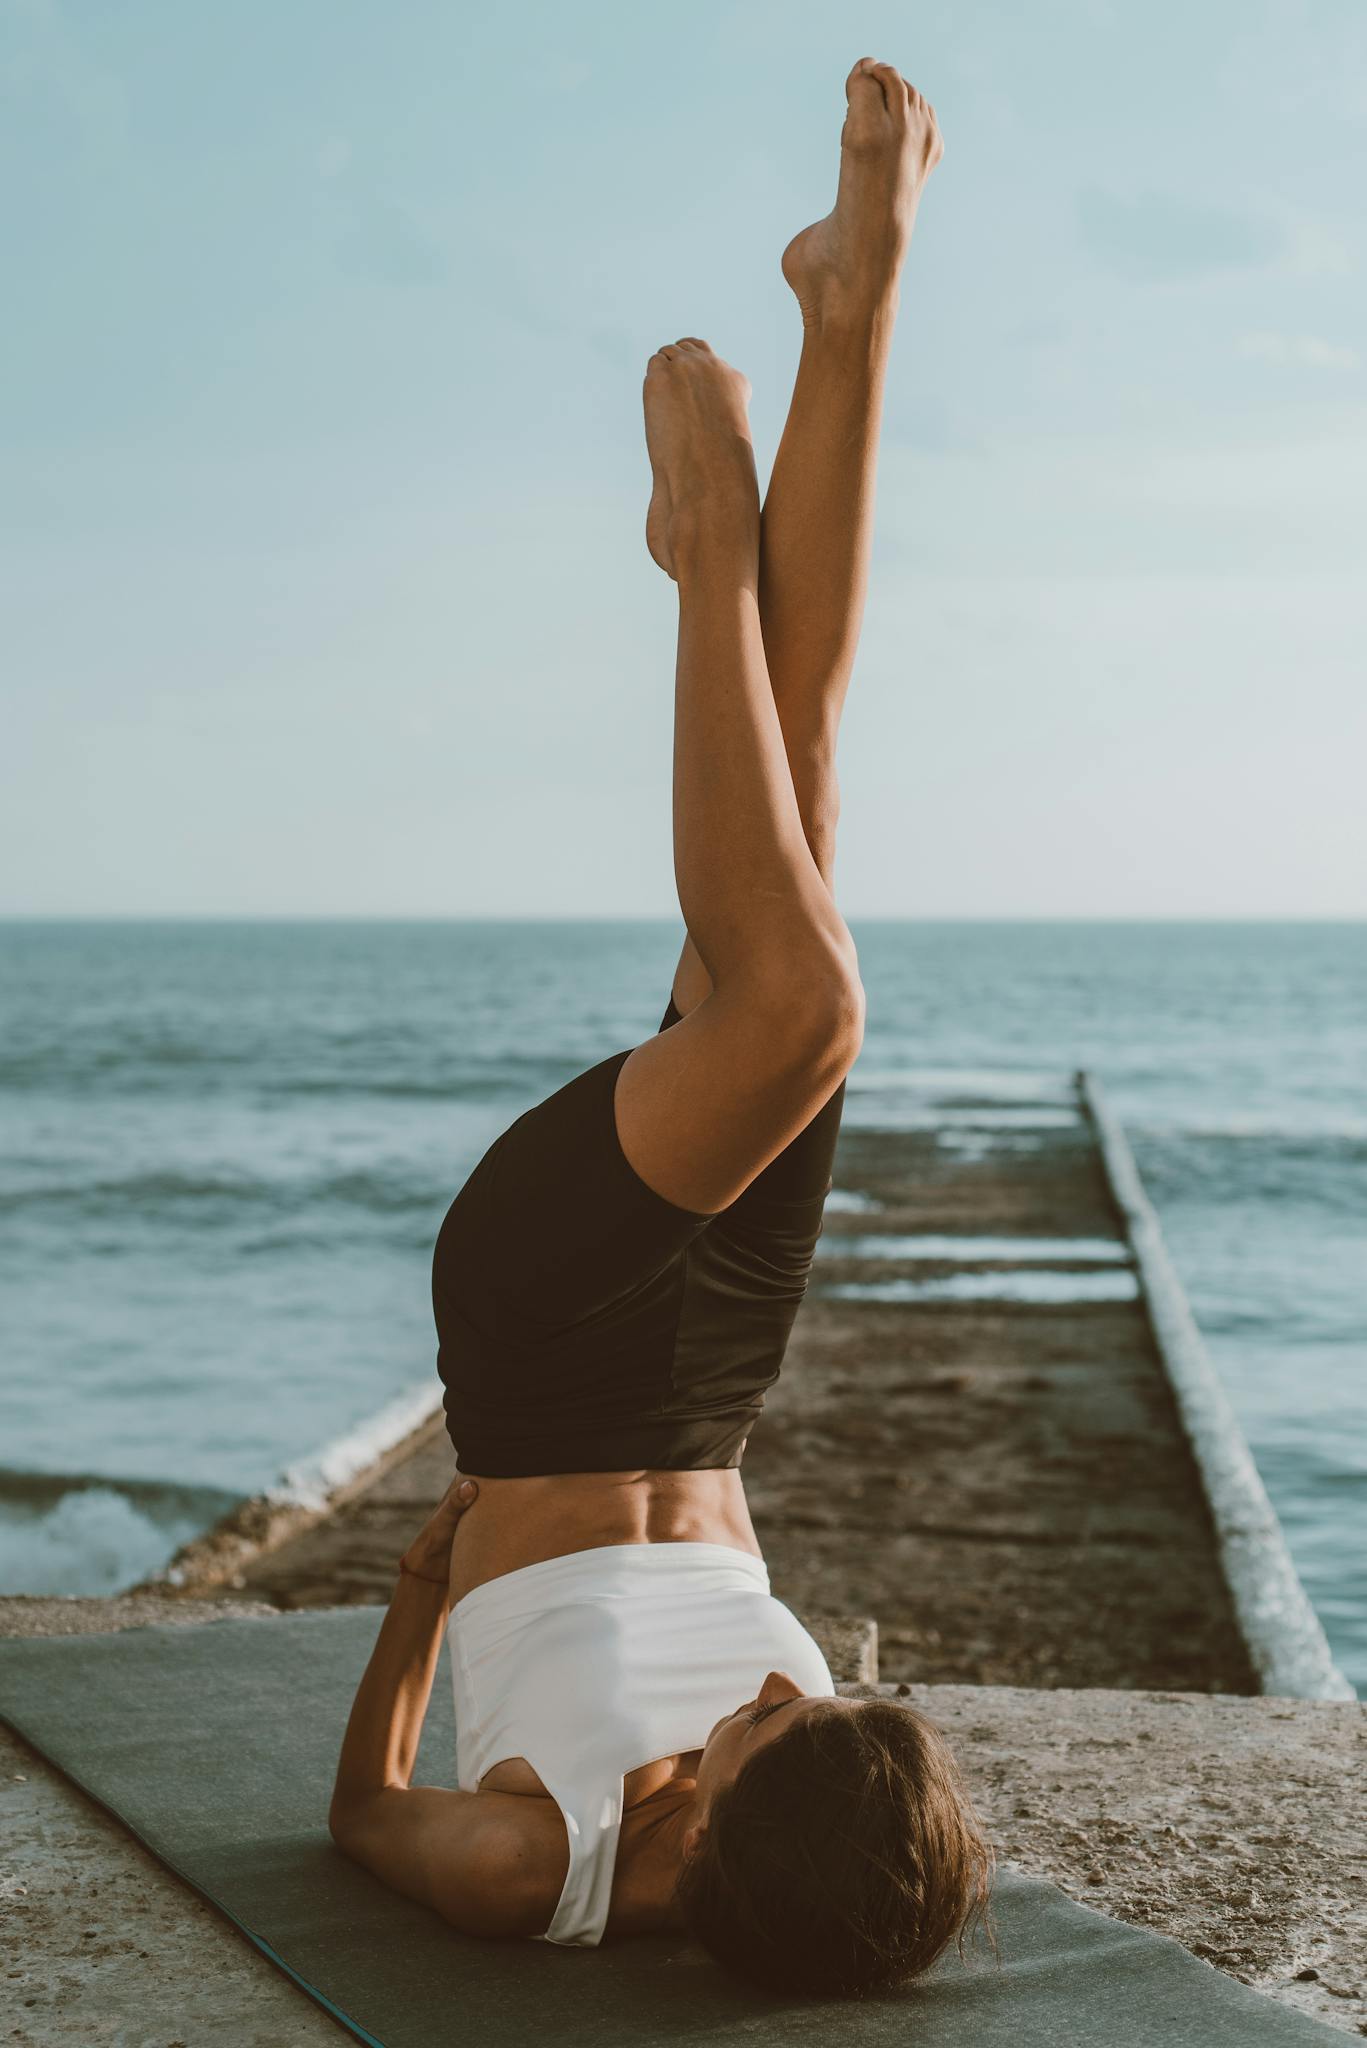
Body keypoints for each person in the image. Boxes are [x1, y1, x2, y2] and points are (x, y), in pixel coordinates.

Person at [330, 58, 990, 1996]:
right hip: (718, 1375)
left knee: (802, 993)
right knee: (811, 812)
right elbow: (860, 1810)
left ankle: (704, 544)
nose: (784, 1692)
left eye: (777, 1722)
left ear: (713, 1801)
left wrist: (420, 1600)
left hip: (532, 1342)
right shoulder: (859, 1828)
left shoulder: (542, 1859)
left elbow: (361, 1812)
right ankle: (845, 320)